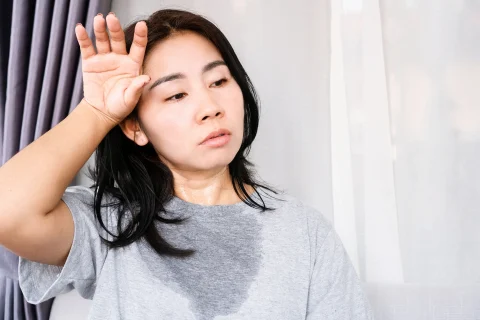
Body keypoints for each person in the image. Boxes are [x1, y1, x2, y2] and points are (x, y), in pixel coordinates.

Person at [0, 8, 374, 320]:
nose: (211, 107)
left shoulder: (305, 232)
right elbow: (8, 212)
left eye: (218, 81)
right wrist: (97, 112)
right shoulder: (111, 224)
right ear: (134, 126)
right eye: (177, 94)